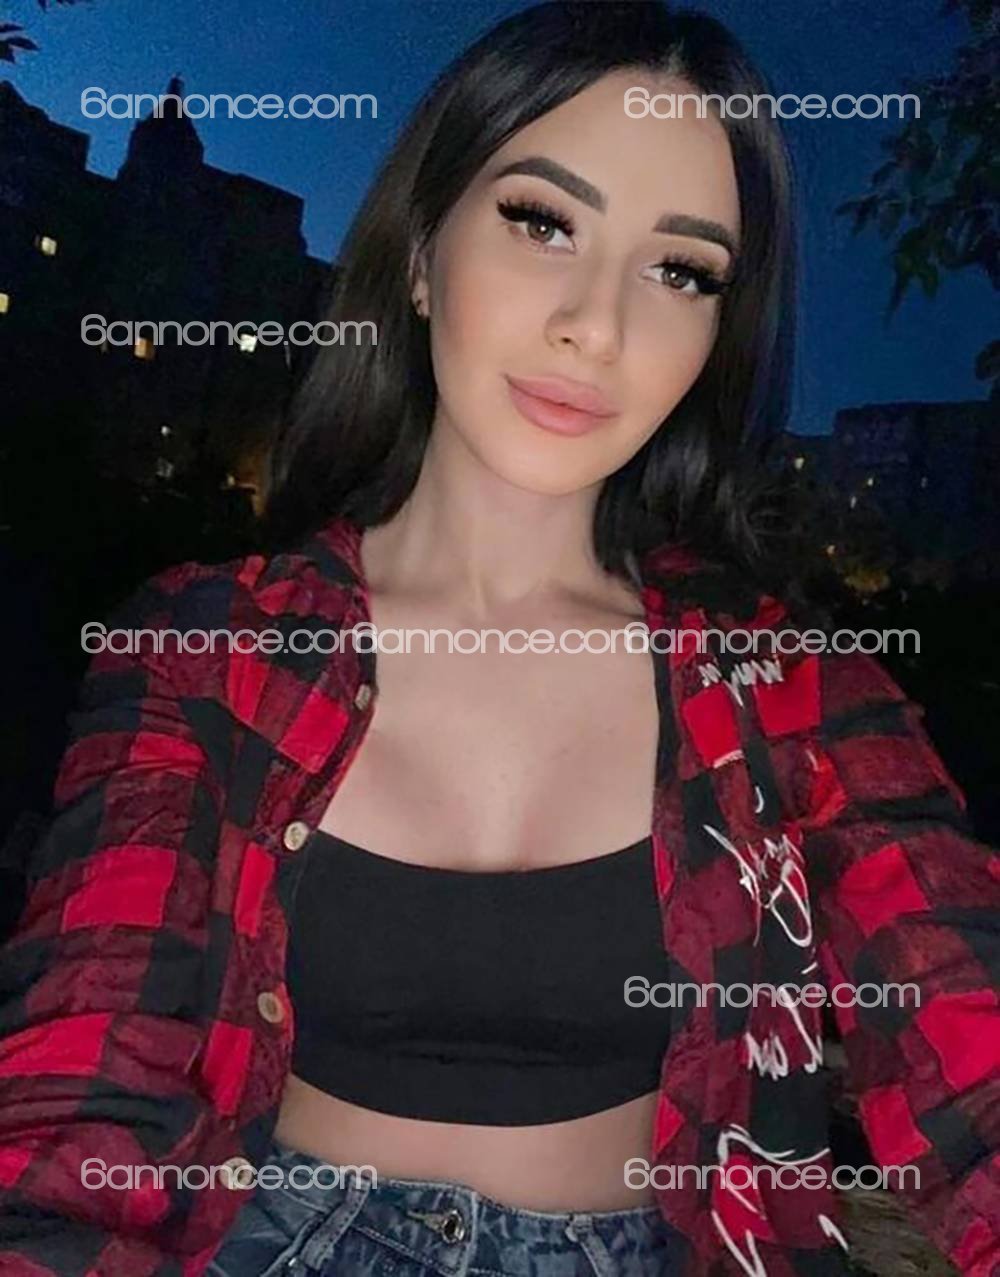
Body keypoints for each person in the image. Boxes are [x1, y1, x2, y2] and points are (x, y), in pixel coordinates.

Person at [0, 4, 997, 1275]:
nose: (597, 324)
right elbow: (77, 1080)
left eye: (681, 270)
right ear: (422, 254)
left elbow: (962, 1025)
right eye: (542, 221)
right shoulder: (209, 647)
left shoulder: (783, 682)